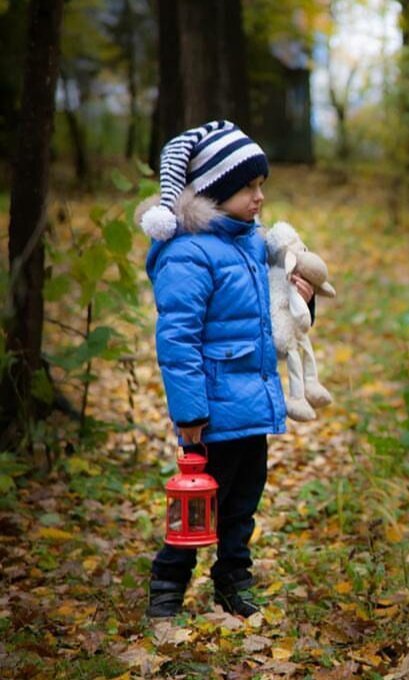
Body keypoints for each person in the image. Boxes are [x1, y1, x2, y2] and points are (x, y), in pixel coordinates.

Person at [136, 120, 313, 618]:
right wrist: (190, 413)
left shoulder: (252, 243)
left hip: (251, 406)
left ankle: (234, 583)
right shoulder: (187, 254)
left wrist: (302, 301)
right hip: (211, 414)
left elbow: (271, 320)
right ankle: (167, 588)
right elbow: (178, 340)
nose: (259, 197)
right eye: (247, 187)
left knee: (242, 506)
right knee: (197, 506)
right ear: (214, 192)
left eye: (261, 185)